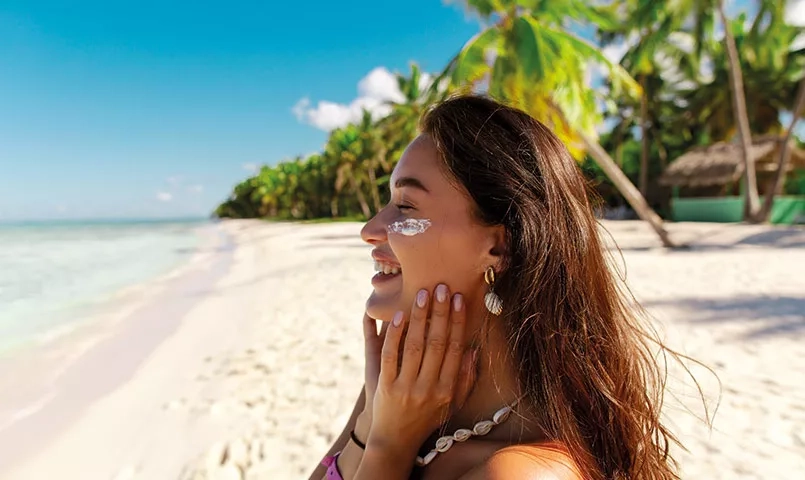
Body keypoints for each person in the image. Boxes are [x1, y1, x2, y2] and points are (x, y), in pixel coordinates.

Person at [308, 94, 687, 480]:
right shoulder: (402, 380)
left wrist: (389, 444)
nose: (369, 230)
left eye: (405, 207)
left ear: (498, 247)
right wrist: (370, 421)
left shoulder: (520, 472)